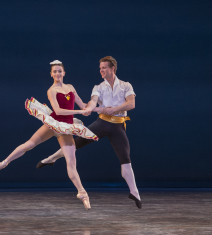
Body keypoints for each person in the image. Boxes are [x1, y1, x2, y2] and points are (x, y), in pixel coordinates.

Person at [0, 60, 98, 210]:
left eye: (60, 71)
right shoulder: (51, 90)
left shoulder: (71, 87)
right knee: (29, 144)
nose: (58, 74)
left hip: (65, 128)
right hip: (54, 122)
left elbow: (83, 105)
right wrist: (80, 112)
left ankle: (82, 193)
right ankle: (4, 162)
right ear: (51, 74)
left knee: (71, 162)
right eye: (55, 71)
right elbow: (59, 111)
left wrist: (94, 105)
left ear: (64, 73)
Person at [36, 56, 142, 209]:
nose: (101, 71)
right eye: (100, 68)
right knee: (75, 144)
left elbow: (131, 103)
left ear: (112, 68)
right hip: (102, 123)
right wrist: (89, 107)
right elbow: (92, 101)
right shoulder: (98, 87)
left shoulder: (126, 85)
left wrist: (114, 109)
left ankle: (135, 192)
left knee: (126, 159)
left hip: (118, 127)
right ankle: (51, 158)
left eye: (104, 68)